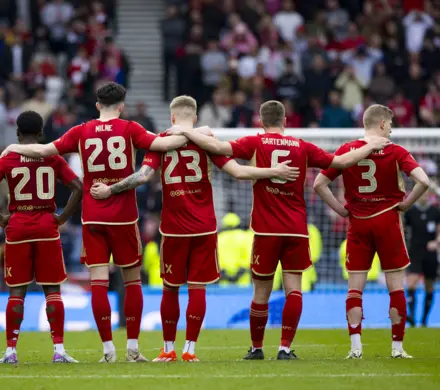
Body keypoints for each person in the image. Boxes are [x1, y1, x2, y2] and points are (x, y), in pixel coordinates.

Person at [173, 100, 389, 360]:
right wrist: (370, 146)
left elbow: (217, 147)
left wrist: (186, 131)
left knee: (261, 291)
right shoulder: (302, 146)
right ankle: (285, 348)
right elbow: (340, 162)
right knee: (293, 289)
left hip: (266, 230)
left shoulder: (254, 142)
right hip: (296, 229)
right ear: (285, 121)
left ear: (261, 122)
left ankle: (256, 348)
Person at [89, 96, 299, 362]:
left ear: (172, 117)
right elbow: (238, 172)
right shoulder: (206, 143)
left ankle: (168, 349)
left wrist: (110, 189)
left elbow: (143, 176)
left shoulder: (161, 141)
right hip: (204, 227)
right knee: (197, 289)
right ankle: (190, 350)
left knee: (171, 288)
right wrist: (273, 170)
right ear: (196, 118)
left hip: (174, 227)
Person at [0, 82, 196, 362]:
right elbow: (165, 144)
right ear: (122, 106)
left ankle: (107, 350)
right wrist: (188, 131)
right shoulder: (131, 129)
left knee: (99, 282)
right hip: (125, 218)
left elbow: (44, 151)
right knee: (131, 282)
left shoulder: (81, 131)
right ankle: (132, 348)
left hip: (93, 216)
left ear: (96, 105)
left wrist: (11, 147)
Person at [314, 104, 429, 359]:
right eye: (390, 124)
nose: (391, 129)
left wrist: (341, 210)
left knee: (355, 288)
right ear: (381, 124)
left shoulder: (346, 150)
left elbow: (319, 183)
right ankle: (397, 348)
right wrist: (406, 205)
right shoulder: (396, 151)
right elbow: (424, 181)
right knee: (396, 288)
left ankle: (355, 348)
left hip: (358, 223)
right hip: (388, 220)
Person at [0, 111, 83, 364]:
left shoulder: (8, 158)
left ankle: (10, 351)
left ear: (17, 133)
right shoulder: (52, 157)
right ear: (40, 132)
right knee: (52, 291)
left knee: (17, 292)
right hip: (47, 225)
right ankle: (59, 350)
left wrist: (1, 218)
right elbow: (78, 187)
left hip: (18, 226)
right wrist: (63, 217)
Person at [403, 189, 439, 328]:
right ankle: (411, 317)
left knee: (429, 286)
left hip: (430, 253)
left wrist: (436, 242)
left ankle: (424, 320)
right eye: (420, 194)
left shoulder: (435, 212)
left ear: (429, 195)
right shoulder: (411, 212)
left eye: (425, 194)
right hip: (415, 251)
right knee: (411, 283)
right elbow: (402, 228)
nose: (423, 197)